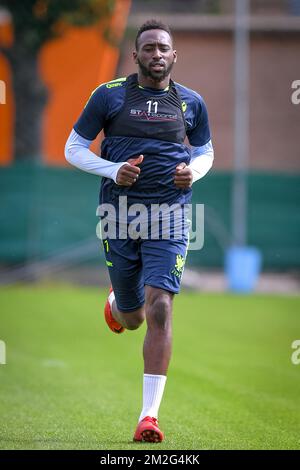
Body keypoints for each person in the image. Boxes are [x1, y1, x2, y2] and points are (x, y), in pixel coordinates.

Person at [65, 19, 214, 443]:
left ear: (174, 55)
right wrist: (114, 170)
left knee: (161, 308)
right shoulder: (109, 95)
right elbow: (72, 148)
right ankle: (117, 305)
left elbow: (204, 151)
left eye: (163, 48)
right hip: (119, 216)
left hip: (171, 215)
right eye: (148, 48)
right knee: (134, 317)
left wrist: (193, 174)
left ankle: (148, 417)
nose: (156, 54)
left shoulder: (191, 103)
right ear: (135, 56)